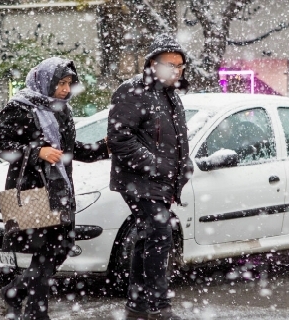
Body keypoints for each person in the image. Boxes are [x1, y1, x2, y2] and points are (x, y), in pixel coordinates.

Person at [0, 57, 109, 320]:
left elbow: (66, 151)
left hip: (58, 191)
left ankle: (15, 291)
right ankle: (36, 313)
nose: (66, 89)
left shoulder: (61, 110)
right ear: (44, 81)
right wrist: (36, 151)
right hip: (29, 190)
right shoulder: (20, 107)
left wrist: (101, 148)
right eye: (61, 83)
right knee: (44, 255)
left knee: (61, 248)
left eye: (69, 83)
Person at [107, 34, 194, 320]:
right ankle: (157, 306)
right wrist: (155, 165)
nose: (176, 70)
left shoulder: (170, 95)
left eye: (180, 65)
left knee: (149, 238)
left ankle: (138, 305)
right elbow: (120, 139)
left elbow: (177, 140)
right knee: (160, 234)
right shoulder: (133, 91)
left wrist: (184, 165)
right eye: (170, 64)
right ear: (152, 64)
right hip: (138, 179)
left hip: (161, 181)